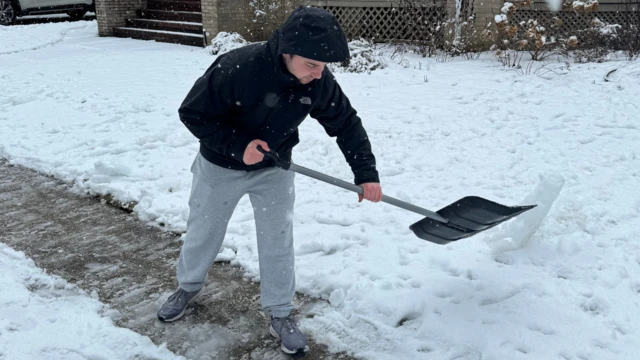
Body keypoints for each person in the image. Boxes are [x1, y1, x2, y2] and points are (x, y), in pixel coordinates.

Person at [157, 6, 383, 354]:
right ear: (287, 52)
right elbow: (192, 113)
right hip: (220, 167)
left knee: (278, 239)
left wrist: (366, 174)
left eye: (323, 67)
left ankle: (280, 312)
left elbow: (346, 123)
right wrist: (237, 146)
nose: (318, 74)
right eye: (311, 65)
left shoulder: (318, 81)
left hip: (274, 169)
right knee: (204, 229)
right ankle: (187, 286)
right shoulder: (237, 68)